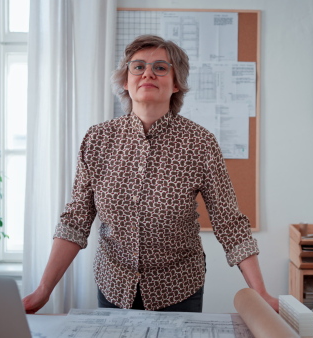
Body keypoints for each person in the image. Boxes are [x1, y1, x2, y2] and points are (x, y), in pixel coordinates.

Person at [22, 35, 278, 313]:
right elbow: (75, 221)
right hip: (113, 286)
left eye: (160, 67)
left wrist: (260, 292)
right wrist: (43, 290)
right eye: (138, 66)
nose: (148, 73)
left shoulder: (200, 143)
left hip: (179, 288)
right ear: (125, 81)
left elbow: (230, 223)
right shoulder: (97, 140)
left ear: (176, 82)